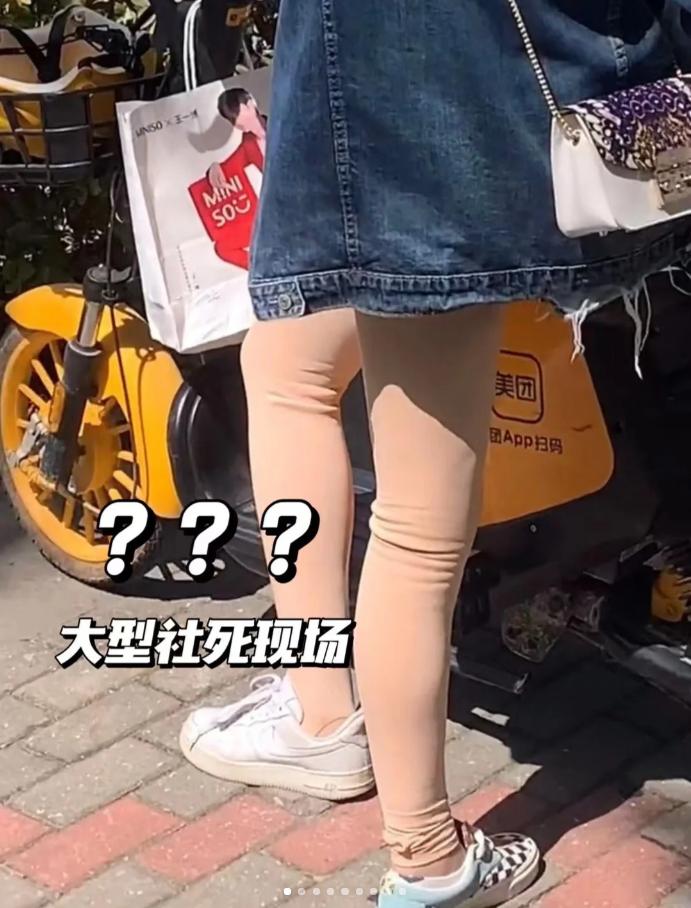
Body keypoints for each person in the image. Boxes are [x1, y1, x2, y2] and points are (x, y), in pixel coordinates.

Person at [181, 3, 691, 906]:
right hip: (556, 142)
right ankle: (324, 716)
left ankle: (425, 860)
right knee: (289, 367)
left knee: (407, 513)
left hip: (416, 169)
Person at [187, 88, 266, 269]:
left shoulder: (283, 122)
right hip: (280, 211)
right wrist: (214, 167)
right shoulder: (248, 144)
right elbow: (230, 165)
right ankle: (263, 269)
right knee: (223, 247)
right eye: (232, 119)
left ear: (251, 103)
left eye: (239, 112)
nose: (238, 121)